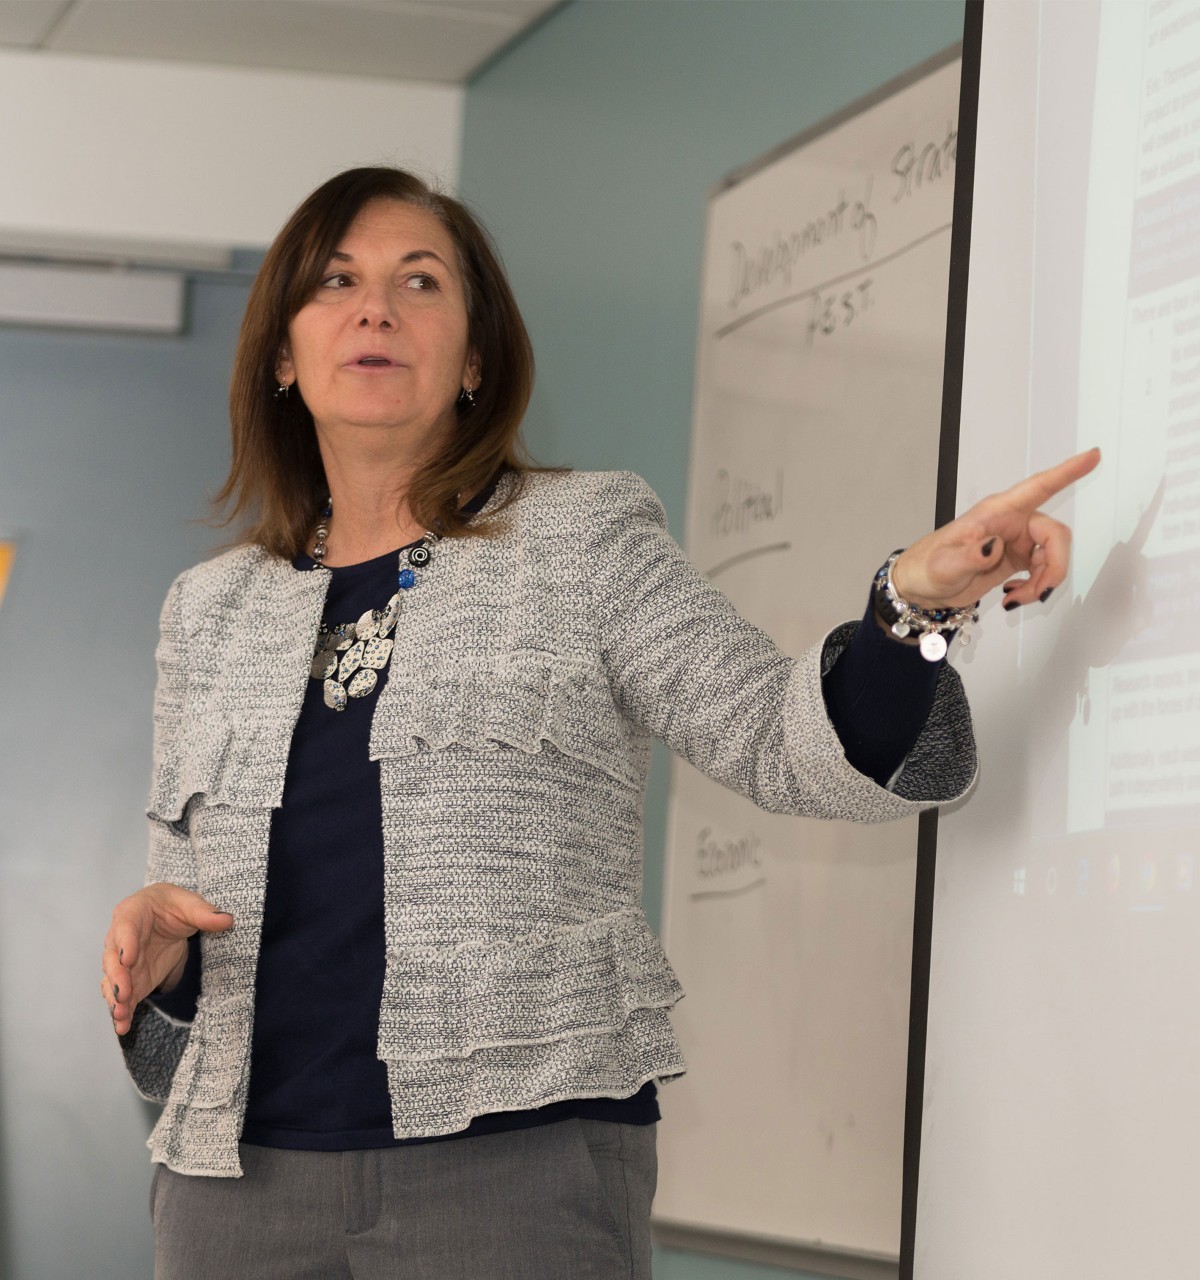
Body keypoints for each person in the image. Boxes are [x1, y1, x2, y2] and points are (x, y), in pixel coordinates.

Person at [100, 166, 1098, 1280]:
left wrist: (911, 605)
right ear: (283, 352)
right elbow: (179, 961)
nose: (375, 307)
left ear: (476, 356)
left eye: (419, 280)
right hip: (237, 1187)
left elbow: (779, 737)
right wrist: (165, 955)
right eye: (336, 281)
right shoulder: (210, 606)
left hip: (514, 1174)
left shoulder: (580, 537)